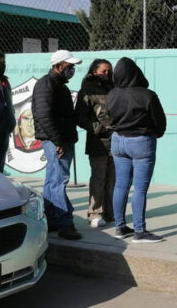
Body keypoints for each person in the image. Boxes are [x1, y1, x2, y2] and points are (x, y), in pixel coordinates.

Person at [107, 57, 166, 243]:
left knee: (121, 185)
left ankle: (120, 227)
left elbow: (108, 117)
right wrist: (157, 132)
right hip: (141, 141)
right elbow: (159, 120)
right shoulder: (146, 95)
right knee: (140, 188)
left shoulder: (112, 94)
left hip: (118, 140)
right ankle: (140, 231)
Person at [32, 49, 82, 240]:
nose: (72, 70)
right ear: (59, 65)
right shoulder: (47, 84)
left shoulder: (59, 85)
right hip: (56, 140)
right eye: (70, 66)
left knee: (52, 180)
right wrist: (58, 141)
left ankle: (51, 219)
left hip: (61, 139)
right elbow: (44, 115)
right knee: (59, 181)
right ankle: (65, 223)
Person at [75, 59, 115, 228]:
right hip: (98, 142)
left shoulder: (114, 89)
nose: (107, 74)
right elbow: (80, 117)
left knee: (113, 179)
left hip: (117, 141)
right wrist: (99, 128)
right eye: (103, 71)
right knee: (98, 177)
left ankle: (110, 212)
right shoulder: (87, 91)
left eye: (109, 71)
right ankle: (95, 213)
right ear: (94, 71)